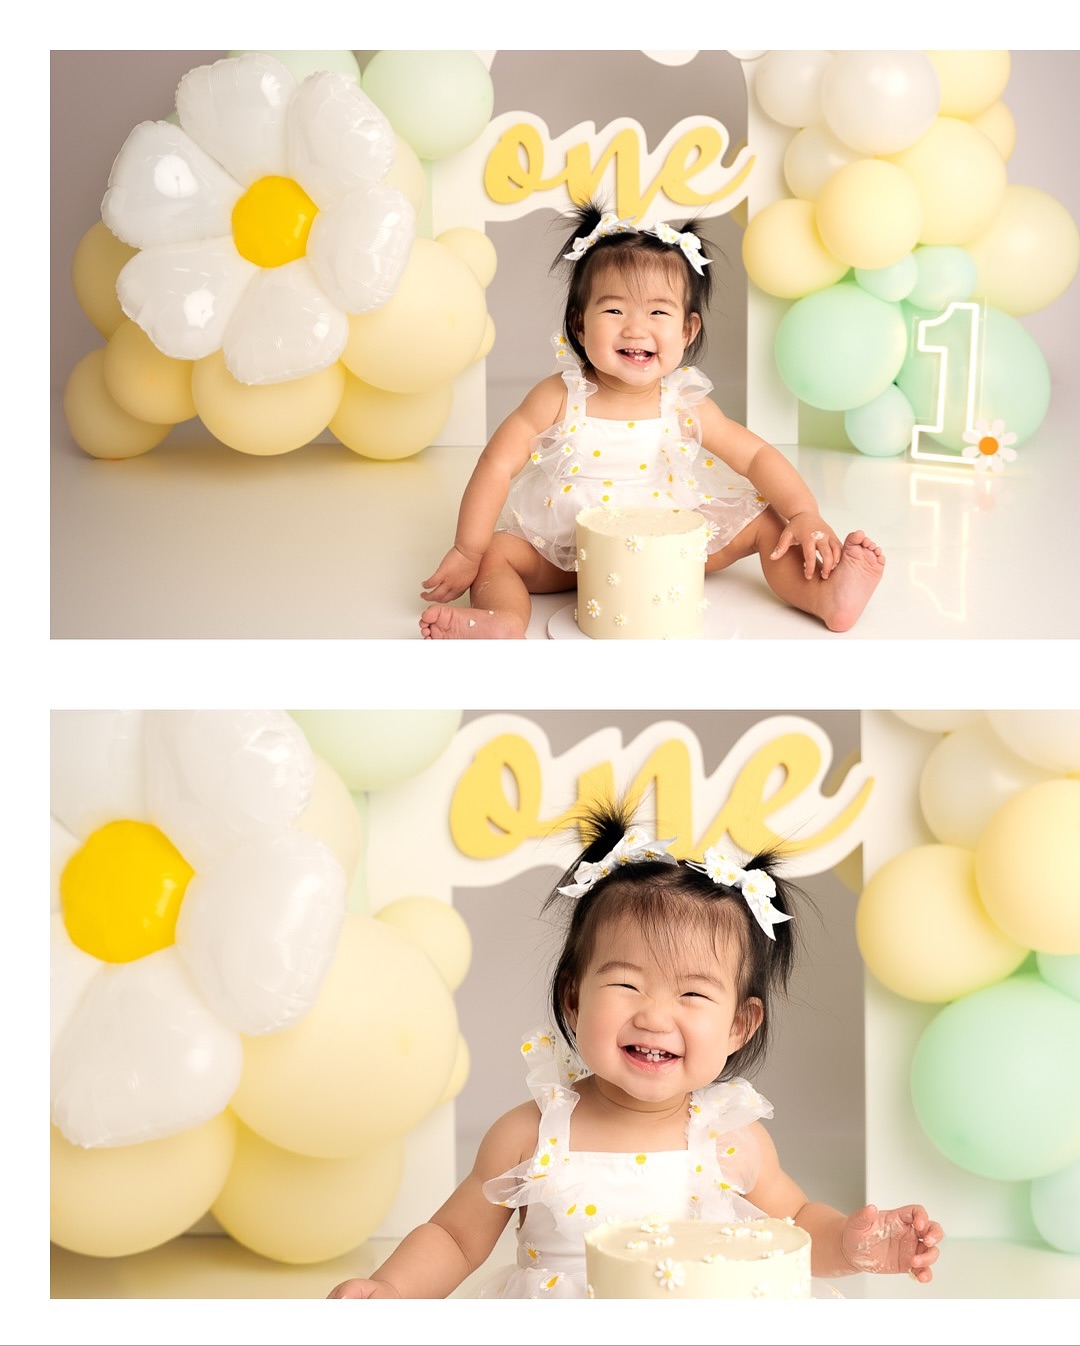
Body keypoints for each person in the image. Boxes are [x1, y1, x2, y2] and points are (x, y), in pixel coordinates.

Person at [327, 802, 942, 1299]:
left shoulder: (731, 1140)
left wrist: (855, 1244)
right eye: (626, 984)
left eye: (693, 994)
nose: (654, 1016)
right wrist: (392, 1289)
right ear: (573, 998)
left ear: (739, 1026)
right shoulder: (531, 1135)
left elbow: (800, 1224)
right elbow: (455, 1238)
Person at [419, 203, 884, 639]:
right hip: (567, 547)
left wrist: (803, 513)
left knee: (766, 523)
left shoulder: (681, 403)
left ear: (687, 330)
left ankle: (824, 596)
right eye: (614, 310)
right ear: (579, 325)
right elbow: (497, 465)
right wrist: (467, 550)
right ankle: (503, 620)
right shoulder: (560, 395)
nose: (636, 327)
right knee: (496, 554)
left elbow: (755, 456)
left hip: (666, 547)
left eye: (658, 311)